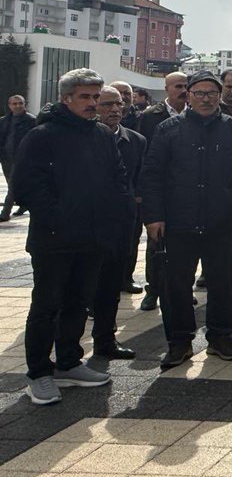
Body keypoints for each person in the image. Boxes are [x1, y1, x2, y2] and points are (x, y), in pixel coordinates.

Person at [14, 70, 131, 404]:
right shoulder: (43, 136)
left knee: (78, 303)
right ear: (66, 98)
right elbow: (27, 186)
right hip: (54, 240)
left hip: (92, 239)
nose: (93, 104)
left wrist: (114, 218)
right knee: (46, 306)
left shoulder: (101, 135)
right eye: (86, 97)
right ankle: (39, 372)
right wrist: (58, 218)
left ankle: (68, 362)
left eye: (96, 97)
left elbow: (117, 179)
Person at [140, 70, 232, 370]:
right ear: (188, 95)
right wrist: (153, 216)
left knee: (221, 283)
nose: (206, 98)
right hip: (178, 222)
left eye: (211, 93)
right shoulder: (168, 129)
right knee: (176, 286)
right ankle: (179, 342)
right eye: (200, 93)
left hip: (221, 221)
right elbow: (152, 174)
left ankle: (219, 337)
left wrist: (231, 198)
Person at [91, 86, 145, 360]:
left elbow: (139, 179)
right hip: (85, 226)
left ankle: (105, 339)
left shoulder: (136, 140)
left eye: (119, 104)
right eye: (107, 104)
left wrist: (133, 202)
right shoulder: (82, 139)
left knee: (110, 287)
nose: (115, 109)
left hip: (120, 224)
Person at [134, 70, 189, 312]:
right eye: (177, 86)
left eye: (185, 85)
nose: (182, 90)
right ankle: (153, 290)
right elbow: (142, 156)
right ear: (166, 88)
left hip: (186, 191)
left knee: (183, 246)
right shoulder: (150, 116)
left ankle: (181, 290)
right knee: (156, 244)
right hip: (160, 190)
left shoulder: (195, 114)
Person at [1, 94, 36, 221]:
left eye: (20, 103)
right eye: (14, 104)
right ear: (9, 105)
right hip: (6, 158)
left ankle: (5, 213)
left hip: (22, 158)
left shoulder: (32, 121)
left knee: (13, 185)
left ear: (24, 104)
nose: (17, 106)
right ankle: (24, 205)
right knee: (15, 184)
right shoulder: (3, 121)